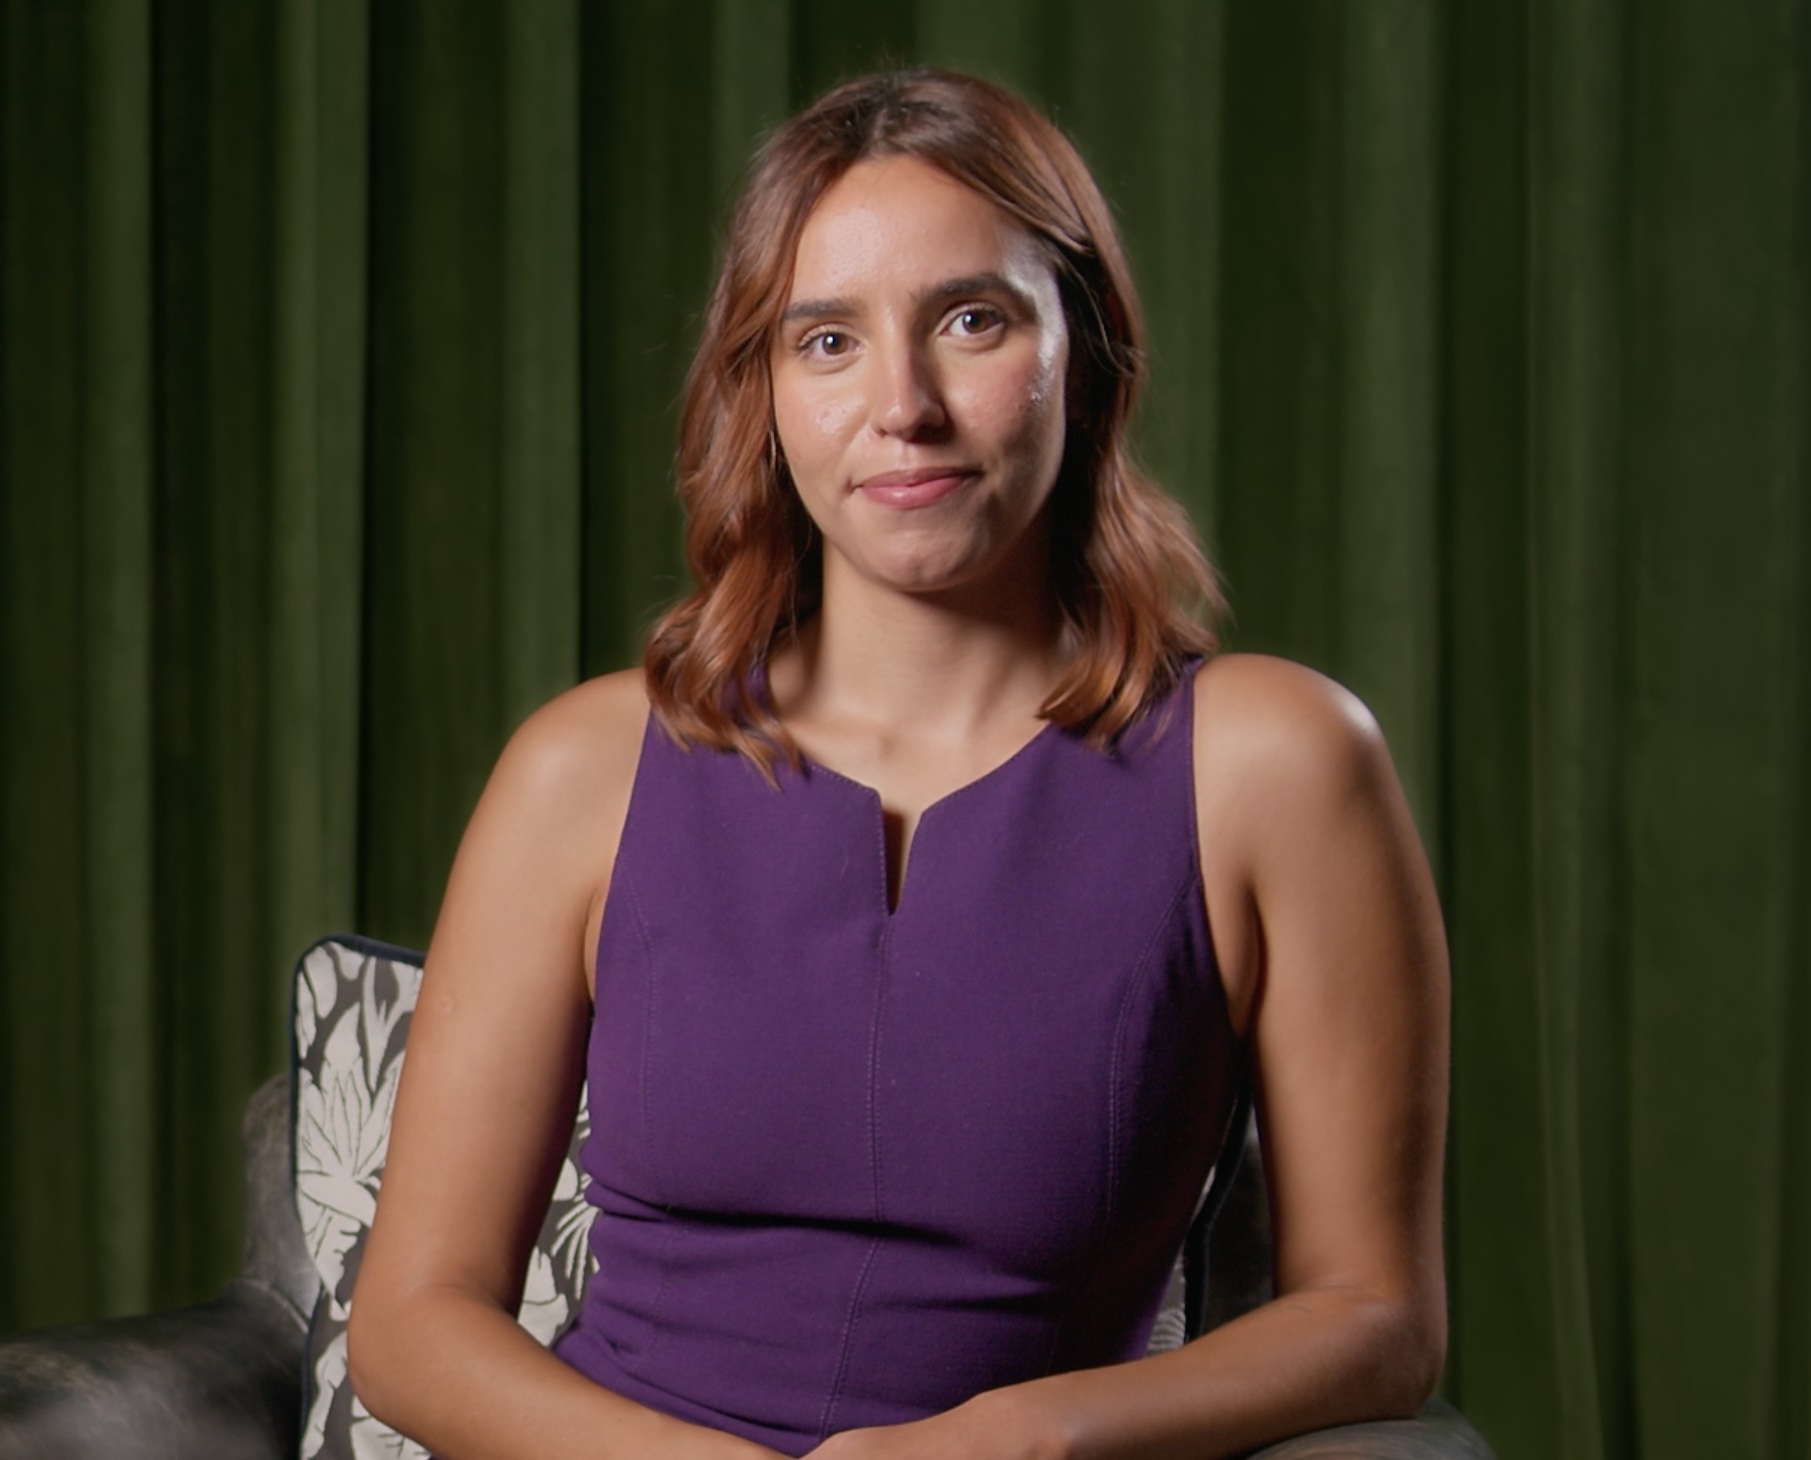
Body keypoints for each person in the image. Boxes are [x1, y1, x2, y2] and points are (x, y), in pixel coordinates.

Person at [344, 68, 1447, 1460]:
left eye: (972, 321)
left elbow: (1375, 1314)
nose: (903, 404)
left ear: (1087, 351)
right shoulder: (581, 768)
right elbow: (413, 1322)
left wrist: (1019, 1441)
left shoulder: (1276, 764)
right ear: (762, 391)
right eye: (827, 341)